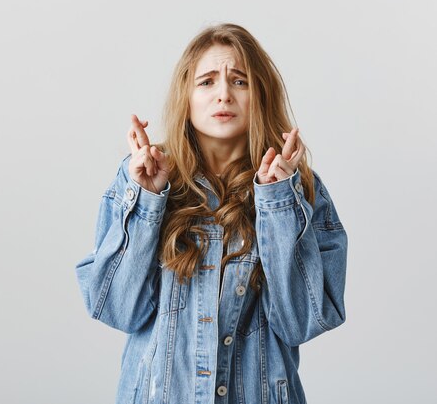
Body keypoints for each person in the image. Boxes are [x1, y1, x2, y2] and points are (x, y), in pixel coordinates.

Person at [74, 22, 348, 404]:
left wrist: (276, 201)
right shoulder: (144, 179)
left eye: (239, 81)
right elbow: (118, 309)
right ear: (185, 97)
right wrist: (147, 200)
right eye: (206, 82)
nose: (223, 95)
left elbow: (301, 322)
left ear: (261, 95)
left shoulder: (298, 188)